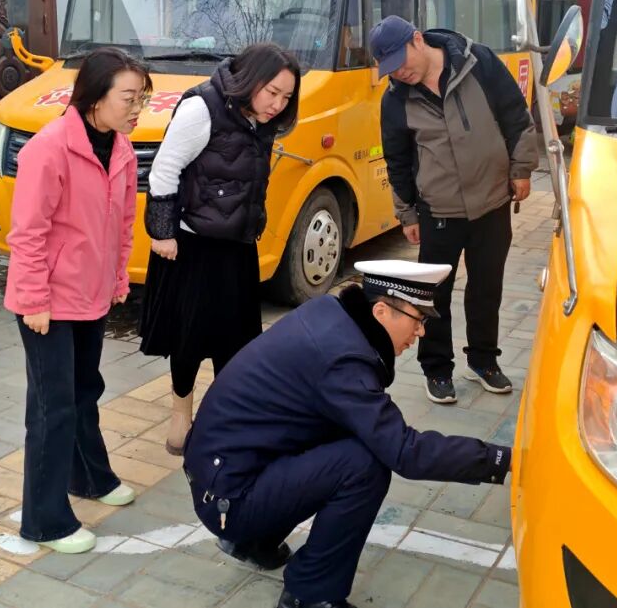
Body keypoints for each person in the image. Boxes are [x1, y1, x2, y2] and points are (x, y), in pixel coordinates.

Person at [183, 260, 512, 608]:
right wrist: (500, 460)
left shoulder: (332, 316)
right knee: (364, 466)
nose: (421, 333)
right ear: (382, 310)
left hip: (219, 475)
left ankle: (255, 540)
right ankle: (311, 595)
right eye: (418, 319)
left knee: (349, 433)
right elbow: (405, 451)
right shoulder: (342, 360)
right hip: (229, 499)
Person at [4, 47, 152, 553]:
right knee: (51, 409)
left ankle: (90, 478)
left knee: (85, 390)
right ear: (95, 97)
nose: (138, 109)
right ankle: (44, 520)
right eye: (129, 98)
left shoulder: (122, 148)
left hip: (90, 296)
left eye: (142, 98)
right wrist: (32, 301)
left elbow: (123, 225)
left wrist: (116, 280)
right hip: (46, 302)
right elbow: (27, 233)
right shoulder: (49, 149)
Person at [138, 43, 301, 456]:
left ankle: (226, 418)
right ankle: (181, 415)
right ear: (251, 80)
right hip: (192, 246)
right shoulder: (202, 108)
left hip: (237, 245)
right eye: (273, 93)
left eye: (286, 97)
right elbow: (164, 169)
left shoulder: (260, 121)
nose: (278, 105)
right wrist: (162, 233)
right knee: (188, 338)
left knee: (238, 341)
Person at [369, 15, 538, 405]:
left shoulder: (478, 62)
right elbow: (396, 159)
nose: (400, 73)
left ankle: (484, 361)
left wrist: (521, 169)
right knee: (434, 296)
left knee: (486, 287)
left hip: (493, 201)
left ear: (417, 39)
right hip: (438, 209)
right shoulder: (396, 98)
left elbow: (515, 115)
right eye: (390, 69)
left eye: (401, 62)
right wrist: (407, 213)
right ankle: (437, 369)